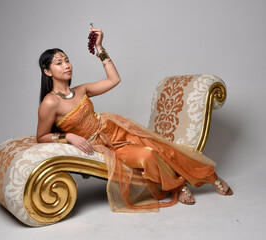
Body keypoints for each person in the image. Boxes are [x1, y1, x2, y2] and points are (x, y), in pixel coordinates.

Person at [36, 27, 232, 212]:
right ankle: (177, 185)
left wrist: (100, 49)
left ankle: (210, 176)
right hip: (102, 145)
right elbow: (41, 136)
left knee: (162, 147)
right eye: (59, 62)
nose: (66, 65)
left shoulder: (81, 89)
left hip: (116, 128)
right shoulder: (50, 102)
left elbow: (114, 80)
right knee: (148, 155)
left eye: (67, 60)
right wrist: (69, 136)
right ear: (47, 71)